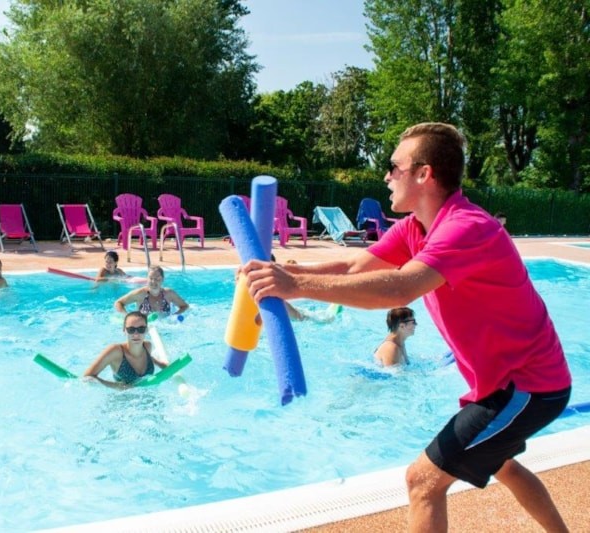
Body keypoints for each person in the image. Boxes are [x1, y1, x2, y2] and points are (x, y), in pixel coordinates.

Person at [241, 122, 572, 532]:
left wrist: (294, 286)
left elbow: (399, 288)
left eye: (394, 166)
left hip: (528, 385)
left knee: (422, 481)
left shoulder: (467, 227)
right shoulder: (416, 226)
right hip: (502, 384)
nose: (386, 176)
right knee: (503, 465)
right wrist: (283, 275)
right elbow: (355, 265)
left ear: (423, 174)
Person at [83, 311, 168, 389]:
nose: (136, 334)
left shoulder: (147, 346)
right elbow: (87, 377)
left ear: (146, 330)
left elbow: (150, 358)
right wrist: (117, 386)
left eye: (141, 329)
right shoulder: (116, 351)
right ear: (124, 331)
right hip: (122, 398)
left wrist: (163, 365)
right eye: (131, 330)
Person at [114, 266, 188, 317]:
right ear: (147, 279)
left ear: (162, 279)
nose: (153, 281)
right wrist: (127, 317)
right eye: (151, 278)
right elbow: (118, 303)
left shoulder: (169, 293)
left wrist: (174, 316)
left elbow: (185, 306)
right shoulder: (140, 294)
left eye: (157, 279)